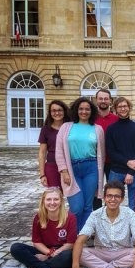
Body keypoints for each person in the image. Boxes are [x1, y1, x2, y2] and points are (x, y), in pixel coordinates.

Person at [70, 181, 135, 268]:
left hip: (123, 252)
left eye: (116, 196)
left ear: (122, 199)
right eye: (109, 196)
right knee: (81, 253)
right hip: (101, 252)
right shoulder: (95, 215)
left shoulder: (130, 214)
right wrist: (75, 267)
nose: (113, 199)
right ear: (104, 198)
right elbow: (80, 240)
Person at [56, 97, 105, 233]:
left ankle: (83, 238)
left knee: (88, 206)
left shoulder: (97, 129)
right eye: (81, 109)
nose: (84, 112)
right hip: (72, 169)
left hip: (91, 168)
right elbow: (59, 151)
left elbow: (101, 153)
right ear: (76, 110)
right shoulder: (66, 127)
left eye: (87, 109)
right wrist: (64, 171)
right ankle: (72, 236)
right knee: (76, 206)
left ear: (92, 111)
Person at [10, 188, 77, 268]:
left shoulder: (70, 217)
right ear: (43, 201)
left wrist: (47, 257)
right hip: (44, 250)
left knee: (68, 256)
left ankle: (33, 267)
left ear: (61, 201)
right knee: (16, 248)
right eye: (49, 199)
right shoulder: (38, 217)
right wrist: (49, 253)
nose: (52, 202)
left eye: (56, 199)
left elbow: (70, 244)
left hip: (61, 251)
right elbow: (36, 242)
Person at [106, 97, 135, 210]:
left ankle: (131, 227)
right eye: (120, 106)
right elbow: (111, 152)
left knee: (134, 205)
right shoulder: (111, 129)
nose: (123, 109)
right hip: (116, 171)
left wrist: (131, 172)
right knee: (112, 203)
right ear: (116, 109)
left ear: (129, 108)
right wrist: (127, 162)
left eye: (125, 106)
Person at [93, 89, 119, 210]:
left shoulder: (116, 119)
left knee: (112, 189)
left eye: (106, 98)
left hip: (112, 161)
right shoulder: (91, 119)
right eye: (100, 98)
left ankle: (109, 212)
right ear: (96, 100)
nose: (103, 101)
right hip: (94, 160)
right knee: (95, 190)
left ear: (110, 101)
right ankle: (97, 213)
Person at [38, 100, 70, 189]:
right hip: (52, 166)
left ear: (64, 111)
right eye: (54, 111)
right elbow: (42, 152)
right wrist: (42, 174)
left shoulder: (70, 127)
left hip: (70, 165)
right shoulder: (46, 129)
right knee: (55, 194)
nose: (57, 113)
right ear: (50, 113)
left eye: (59, 110)